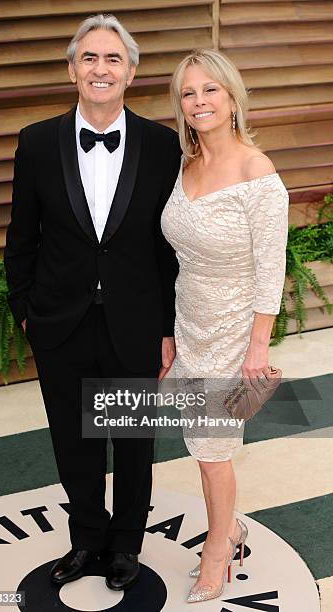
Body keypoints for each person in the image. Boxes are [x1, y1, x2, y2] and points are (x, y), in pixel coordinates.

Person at [4, 14, 181, 592]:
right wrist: (27, 312)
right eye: (89, 58)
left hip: (134, 321)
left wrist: (166, 326)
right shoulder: (36, 141)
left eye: (112, 59)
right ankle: (87, 538)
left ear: (131, 72)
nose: (100, 69)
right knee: (72, 439)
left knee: (132, 442)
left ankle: (127, 544)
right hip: (59, 321)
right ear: (73, 69)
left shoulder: (161, 145)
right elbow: (21, 237)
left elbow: (166, 248)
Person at [161, 49, 289, 603]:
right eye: (189, 93)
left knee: (214, 450)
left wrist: (256, 352)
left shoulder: (257, 172)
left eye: (210, 90)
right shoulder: (185, 165)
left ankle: (220, 546)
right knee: (199, 443)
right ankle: (226, 528)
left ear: (233, 97)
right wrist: (168, 330)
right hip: (190, 322)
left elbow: (271, 270)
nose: (199, 102)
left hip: (235, 332)